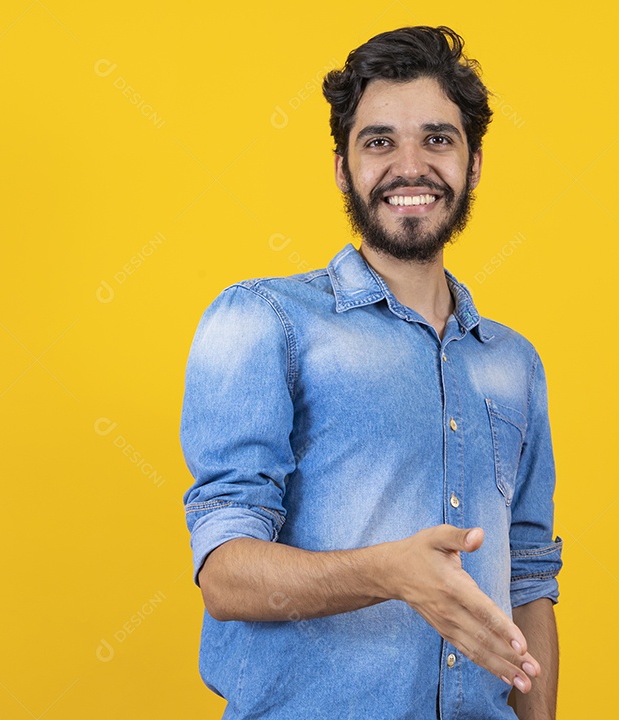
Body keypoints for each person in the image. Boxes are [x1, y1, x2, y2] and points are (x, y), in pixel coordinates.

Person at [180, 25, 563, 719]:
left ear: (473, 164)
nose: (409, 166)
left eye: (437, 140)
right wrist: (389, 573)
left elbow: (531, 583)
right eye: (379, 141)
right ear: (342, 168)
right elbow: (226, 576)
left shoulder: (514, 366)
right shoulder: (262, 320)